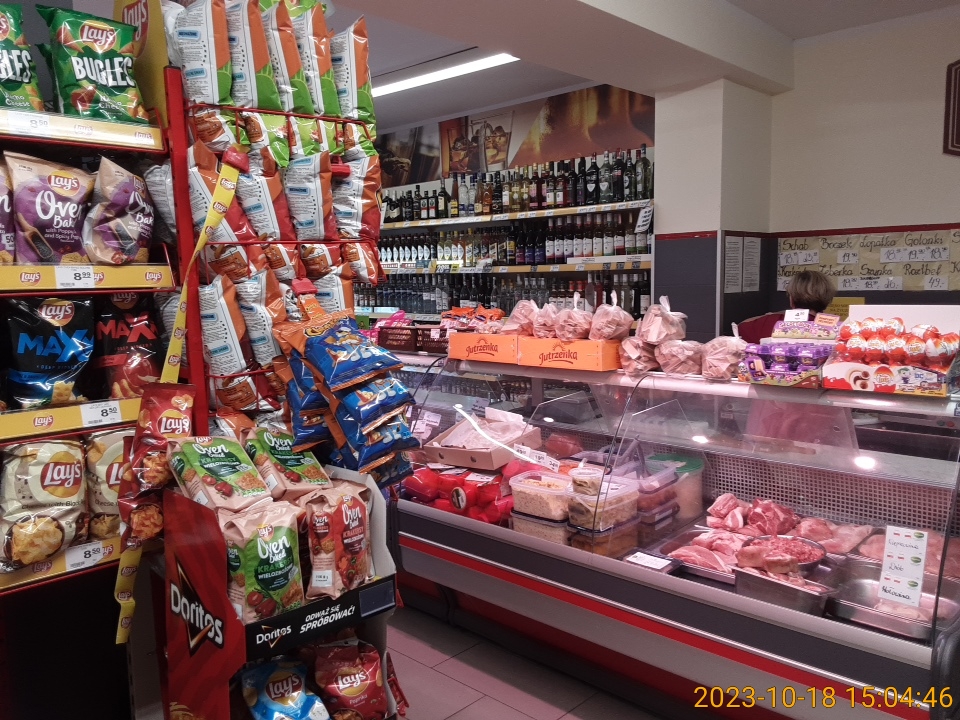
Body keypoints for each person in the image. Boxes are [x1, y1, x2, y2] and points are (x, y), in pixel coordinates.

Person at [737, 270, 836, 344]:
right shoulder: (832, 328)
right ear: (827, 299)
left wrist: (777, 313)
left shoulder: (768, 322)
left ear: (791, 298)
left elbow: (741, 327)